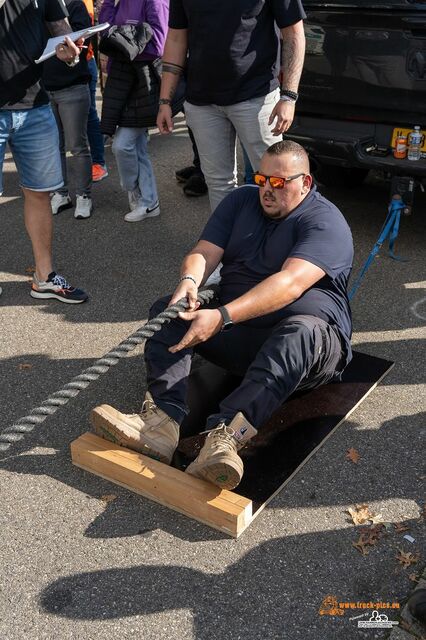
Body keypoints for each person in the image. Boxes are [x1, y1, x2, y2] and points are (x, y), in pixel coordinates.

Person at [90, 141, 354, 490]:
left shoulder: (325, 223)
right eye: (262, 179)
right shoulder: (240, 201)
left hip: (307, 353)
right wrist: (189, 282)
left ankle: (226, 439)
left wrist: (222, 316)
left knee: (299, 332)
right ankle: (161, 424)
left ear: (304, 183)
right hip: (242, 335)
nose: (266, 190)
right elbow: (204, 251)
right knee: (168, 311)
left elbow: (289, 284)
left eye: (279, 182)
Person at [156, 0, 306, 212]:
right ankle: (228, 243)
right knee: (218, 184)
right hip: (201, 102)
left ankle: (280, 243)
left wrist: (289, 96)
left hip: (257, 97)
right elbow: (176, 38)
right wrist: (165, 101)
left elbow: (294, 33)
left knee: (276, 182)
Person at [0, 0, 88, 303]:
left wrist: (70, 55)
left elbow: (61, 34)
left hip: (35, 107)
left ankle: (45, 276)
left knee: (39, 192)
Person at [99, 0, 168, 223]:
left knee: (122, 145)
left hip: (143, 84)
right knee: (137, 148)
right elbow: (104, 31)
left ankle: (135, 191)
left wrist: (121, 44)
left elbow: (158, 44)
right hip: (122, 83)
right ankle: (148, 201)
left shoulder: (156, 1)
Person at [44, 0, 94, 220]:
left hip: (73, 88)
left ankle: (84, 196)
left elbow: (80, 47)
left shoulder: (75, 5)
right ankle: (60, 193)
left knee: (77, 146)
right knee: (54, 146)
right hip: (44, 89)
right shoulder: (38, 7)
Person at [83, 0, 108, 183]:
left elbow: (85, 31)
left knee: (89, 113)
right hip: (52, 69)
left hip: (84, 62)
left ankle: (98, 162)